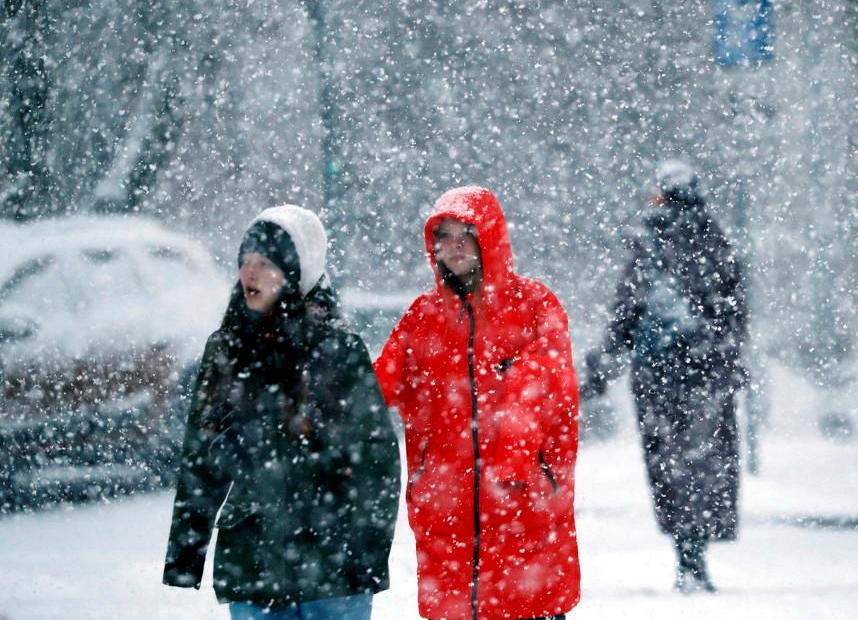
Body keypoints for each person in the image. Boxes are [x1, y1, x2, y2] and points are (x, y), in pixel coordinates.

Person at [162, 204, 401, 620]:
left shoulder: (339, 349)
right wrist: (186, 553)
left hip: (333, 565)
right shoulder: (226, 348)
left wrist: (365, 555)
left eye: (265, 262)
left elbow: (376, 462)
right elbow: (200, 458)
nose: (249, 273)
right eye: (245, 262)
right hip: (253, 560)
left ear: (295, 271)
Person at [374, 186, 580, 620]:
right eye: (443, 236)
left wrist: (511, 463)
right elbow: (376, 387)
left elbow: (549, 388)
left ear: (489, 236)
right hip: (447, 515)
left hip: (523, 514)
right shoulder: (423, 317)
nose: (454, 245)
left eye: (465, 232)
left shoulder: (534, 305)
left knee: (527, 605)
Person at [580, 159, 748, 593]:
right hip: (707, 374)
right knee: (705, 464)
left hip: (659, 375)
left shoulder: (652, 242)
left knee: (670, 466)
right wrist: (727, 359)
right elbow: (734, 312)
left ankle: (686, 555)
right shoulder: (717, 241)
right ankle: (696, 556)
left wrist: (600, 370)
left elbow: (626, 311)